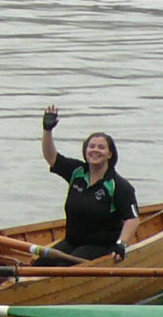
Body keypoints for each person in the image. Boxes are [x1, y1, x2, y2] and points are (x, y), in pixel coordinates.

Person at [39, 105, 140, 261]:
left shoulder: (118, 186)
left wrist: (122, 244)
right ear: (85, 151)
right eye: (91, 146)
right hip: (71, 242)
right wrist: (47, 130)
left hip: (100, 247)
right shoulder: (77, 172)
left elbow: (132, 219)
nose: (95, 150)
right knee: (40, 264)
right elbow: (51, 157)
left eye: (101, 147)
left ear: (110, 154)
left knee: (63, 269)